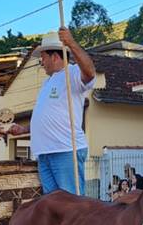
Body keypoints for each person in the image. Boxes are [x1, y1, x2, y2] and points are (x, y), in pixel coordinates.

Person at [7, 28, 96, 195]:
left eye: (43, 57)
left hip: (65, 150)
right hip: (46, 153)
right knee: (53, 206)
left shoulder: (73, 73)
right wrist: (25, 130)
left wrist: (71, 43)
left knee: (71, 205)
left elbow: (90, 72)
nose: (42, 63)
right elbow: (48, 118)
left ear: (55, 56)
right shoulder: (47, 83)